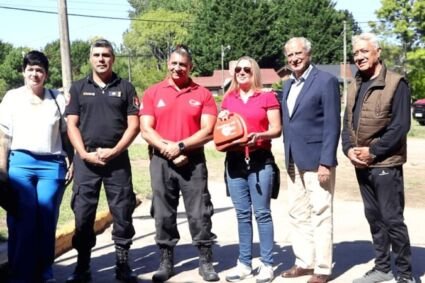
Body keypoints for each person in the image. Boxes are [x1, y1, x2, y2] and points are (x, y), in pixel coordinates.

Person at [139, 44, 220, 282]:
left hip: (193, 161)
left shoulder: (202, 94)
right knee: (163, 213)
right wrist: (169, 150)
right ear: (168, 64)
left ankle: (205, 261)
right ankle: (166, 261)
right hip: (161, 160)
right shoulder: (153, 92)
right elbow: (146, 129)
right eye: (174, 63)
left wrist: (182, 146)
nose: (177, 68)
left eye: (182, 64)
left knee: (200, 213)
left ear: (190, 66)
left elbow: (208, 130)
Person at [342, 32, 415, 283]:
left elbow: (400, 126)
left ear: (377, 52)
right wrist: (349, 149)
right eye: (355, 53)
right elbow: (347, 122)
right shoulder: (356, 84)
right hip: (360, 163)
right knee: (373, 217)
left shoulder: (397, 83)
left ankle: (405, 274)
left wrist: (373, 151)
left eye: (364, 51)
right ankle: (383, 268)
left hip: (385, 163)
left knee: (392, 219)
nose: (359, 57)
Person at [65, 39, 140, 283]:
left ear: (113, 58)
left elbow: (134, 125)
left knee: (122, 213)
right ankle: (83, 266)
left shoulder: (126, 88)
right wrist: (83, 154)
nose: (101, 59)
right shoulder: (78, 88)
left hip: (117, 162)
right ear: (90, 59)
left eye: (106, 54)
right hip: (86, 162)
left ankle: (122, 265)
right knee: (83, 215)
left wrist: (116, 150)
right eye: (96, 55)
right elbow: (71, 125)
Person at [0, 51, 71, 283]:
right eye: (30, 69)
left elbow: (67, 133)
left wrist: (73, 161)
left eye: (39, 69)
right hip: (20, 164)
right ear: (23, 72)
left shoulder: (56, 98)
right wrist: (2, 170)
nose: (35, 73)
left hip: (52, 165)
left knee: (46, 218)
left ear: (46, 74)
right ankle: (20, 274)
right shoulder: (12, 98)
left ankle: (44, 272)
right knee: (23, 219)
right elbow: (3, 137)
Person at [279, 37, 341, 283]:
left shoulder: (326, 81)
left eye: (298, 54)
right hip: (293, 160)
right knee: (297, 213)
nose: (294, 58)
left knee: (321, 212)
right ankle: (305, 262)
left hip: (317, 162)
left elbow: (332, 125)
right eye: (290, 55)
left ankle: (323, 268)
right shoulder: (287, 85)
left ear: (309, 54)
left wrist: (326, 162)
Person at [218, 56, 282, 283]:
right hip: (235, 161)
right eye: (238, 70)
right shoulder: (229, 98)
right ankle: (244, 263)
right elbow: (222, 128)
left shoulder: (267, 96)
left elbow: (276, 129)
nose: (242, 72)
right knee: (242, 215)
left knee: (262, 214)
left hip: (260, 159)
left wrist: (260, 136)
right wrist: (222, 117)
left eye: (246, 69)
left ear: (254, 72)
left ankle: (267, 264)